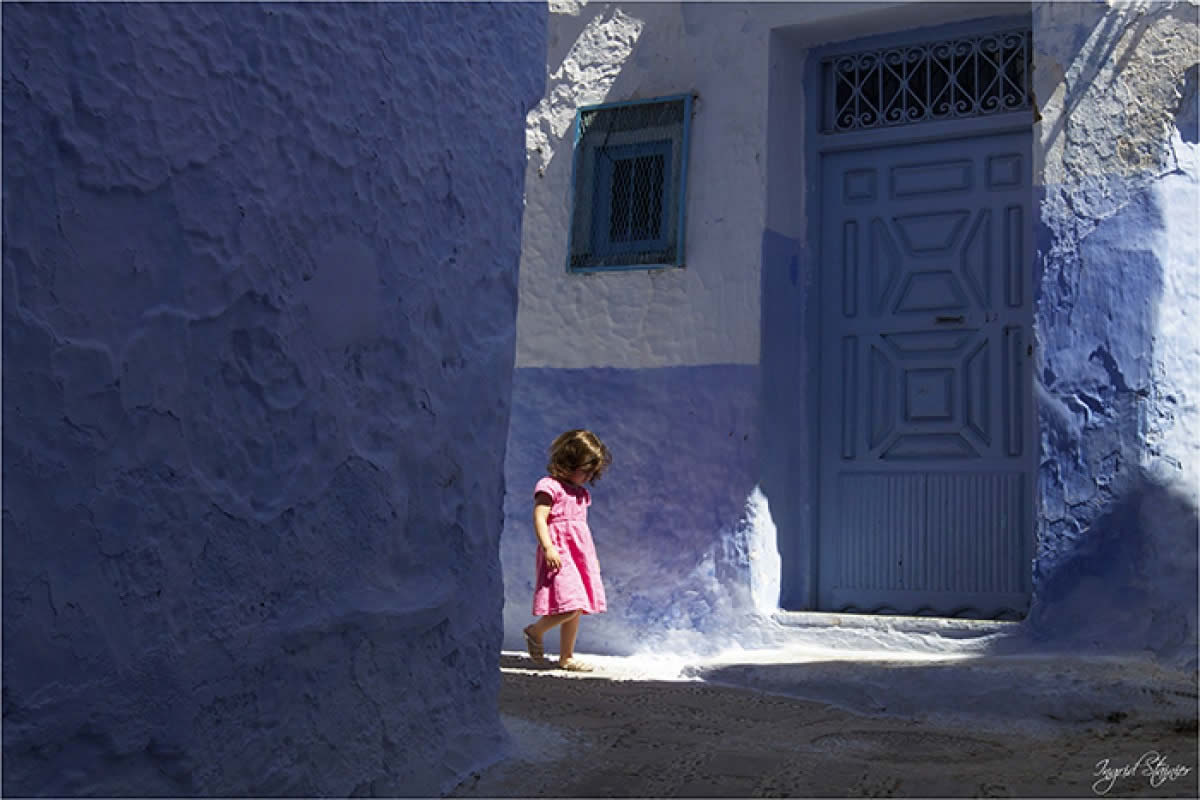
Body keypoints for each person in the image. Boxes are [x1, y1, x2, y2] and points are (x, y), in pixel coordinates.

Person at [523, 429, 612, 672]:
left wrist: (591, 560)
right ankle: (535, 630)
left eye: (592, 472)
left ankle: (566, 656)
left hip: (579, 556)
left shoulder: (582, 494)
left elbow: (580, 531)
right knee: (570, 604)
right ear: (569, 461)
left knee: (577, 607)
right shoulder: (549, 486)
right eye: (585, 469)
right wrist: (548, 547)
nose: (588, 476)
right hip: (559, 554)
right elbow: (540, 517)